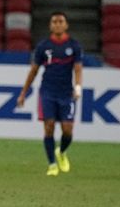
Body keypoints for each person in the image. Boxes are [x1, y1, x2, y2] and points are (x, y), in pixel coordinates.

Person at [16, 11, 83, 176]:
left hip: (66, 93)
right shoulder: (43, 46)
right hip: (47, 92)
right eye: (55, 21)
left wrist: (78, 86)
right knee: (49, 127)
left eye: (61, 21)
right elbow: (34, 70)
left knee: (67, 130)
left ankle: (61, 152)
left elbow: (78, 68)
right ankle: (52, 164)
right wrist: (23, 93)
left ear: (66, 25)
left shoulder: (74, 46)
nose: (58, 24)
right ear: (50, 25)